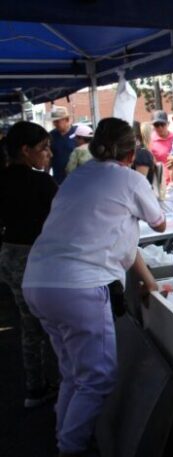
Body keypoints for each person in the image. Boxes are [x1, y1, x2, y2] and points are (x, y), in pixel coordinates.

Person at [23, 118, 166, 457]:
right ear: (132, 153)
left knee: (74, 371)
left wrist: (149, 282)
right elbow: (159, 221)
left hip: (39, 282)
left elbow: (123, 244)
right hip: (79, 287)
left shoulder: (77, 178)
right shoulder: (130, 179)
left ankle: (64, 435)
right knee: (98, 377)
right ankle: (71, 448)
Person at [0, 121, 60, 408]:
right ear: (25, 151)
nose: (48, 154)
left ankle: (36, 384)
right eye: (43, 148)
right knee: (50, 324)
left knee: (29, 322)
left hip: (8, 256)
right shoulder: (41, 183)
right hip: (35, 258)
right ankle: (46, 387)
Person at [48, 106, 77, 184]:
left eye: (57, 121)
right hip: (58, 180)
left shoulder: (77, 133)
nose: (55, 124)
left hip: (76, 178)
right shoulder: (51, 135)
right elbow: (48, 158)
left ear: (67, 120)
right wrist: (46, 174)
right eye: (54, 121)